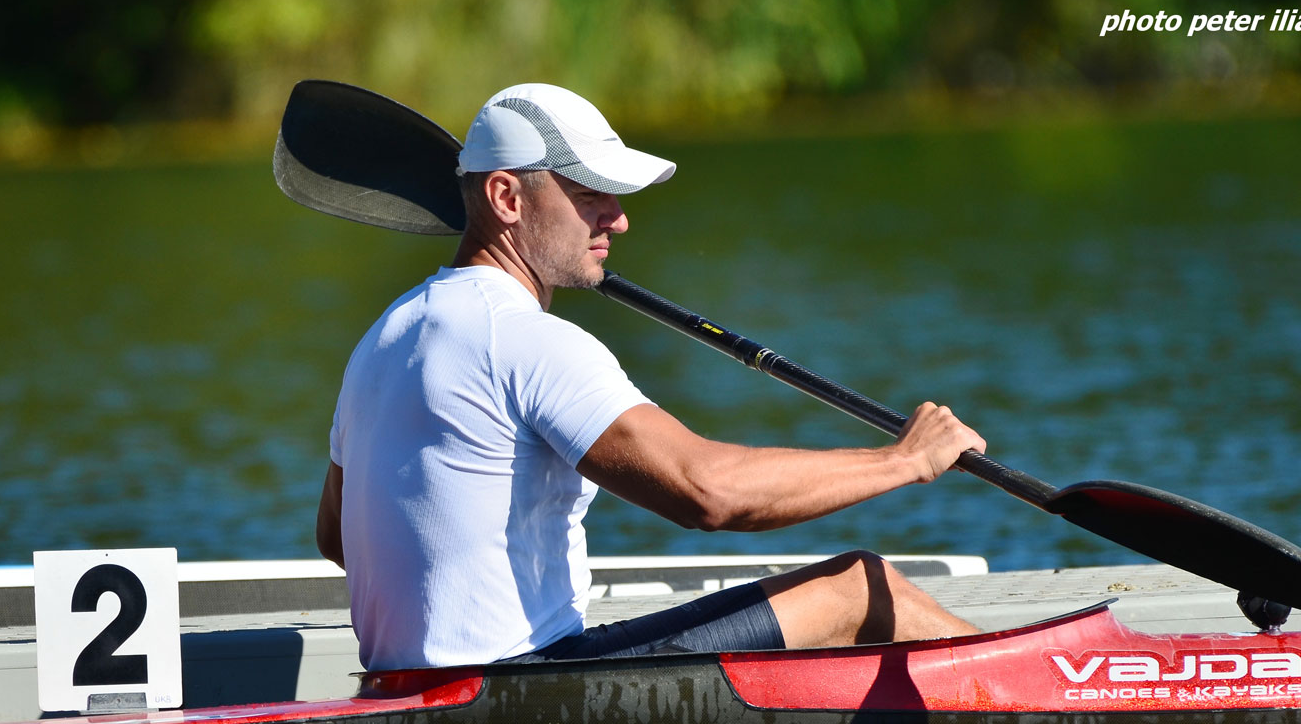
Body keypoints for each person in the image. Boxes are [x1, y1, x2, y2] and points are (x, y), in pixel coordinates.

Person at [317, 82, 987, 672]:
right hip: (520, 696)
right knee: (862, 589)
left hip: (410, 689)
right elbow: (707, 492)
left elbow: (336, 533)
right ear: (505, 198)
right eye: (588, 195)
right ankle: (1076, 704)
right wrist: (904, 461)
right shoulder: (526, 340)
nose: (618, 216)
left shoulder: (386, 335)